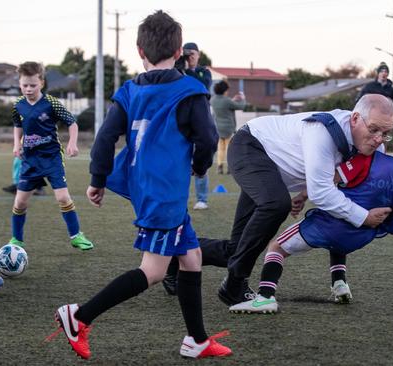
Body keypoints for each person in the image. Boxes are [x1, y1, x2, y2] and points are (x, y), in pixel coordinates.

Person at [47, 11, 230, 360]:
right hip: (165, 193)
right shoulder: (190, 89)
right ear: (179, 52)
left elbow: (105, 138)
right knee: (154, 270)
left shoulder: (129, 90)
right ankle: (79, 316)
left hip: (148, 187)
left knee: (190, 259)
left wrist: (97, 179)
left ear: (139, 51)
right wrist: (200, 166)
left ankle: (197, 340)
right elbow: (206, 138)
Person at [228, 114, 393, 314]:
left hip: (325, 226)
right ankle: (340, 283)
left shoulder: (370, 160)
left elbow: (332, 178)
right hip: (358, 238)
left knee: (276, 247)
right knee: (342, 236)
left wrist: (301, 196)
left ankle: (266, 295)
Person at [199, 94, 393, 308]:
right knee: (276, 205)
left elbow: (335, 176)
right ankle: (234, 286)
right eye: (374, 129)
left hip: (272, 171)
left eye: (385, 133)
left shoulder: (373, 145)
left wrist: (303, 193)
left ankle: (177, 256)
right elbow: (321, 192)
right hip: (251, 146)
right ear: (355, 119)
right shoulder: (324, 132)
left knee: (236, 249)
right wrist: (364, 217)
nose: (378, 139)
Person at [8, 62, 93, 250]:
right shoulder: (18, 105)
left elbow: (72, 123)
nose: (28, 89)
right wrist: (16, 143)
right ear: (20, 84)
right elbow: (17, 125)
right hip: (29, 160)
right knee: (20, 201)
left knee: (63, 197)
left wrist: (72, 143)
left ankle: (76, 235)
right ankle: (16, 240)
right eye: (24, 85)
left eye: (33, 85)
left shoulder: (51, 103)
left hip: (51, 157)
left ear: (42, 83)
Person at [180, 41, 213, 210]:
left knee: (201, 156)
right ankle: (180, 197)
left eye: (192, 53)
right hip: (182, 121)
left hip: (200, 120)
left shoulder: (203, 72)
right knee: (180, 160)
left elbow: (203, 87)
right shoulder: (178, 71)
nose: (190, 57)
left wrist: (188, 71)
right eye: (187, 53)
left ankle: (202, 198)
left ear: (198, 54)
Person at [211, 80, 246, 174]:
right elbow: (240, 106)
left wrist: (232, 99)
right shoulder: (226, 100)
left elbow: (227, 104)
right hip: (228, 128)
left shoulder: (213, 100)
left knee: (220, 148)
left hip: (218, 127)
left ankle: (219, 166)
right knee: (229, 149)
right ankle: (230, 168)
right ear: (224, 90)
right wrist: (243, 98)